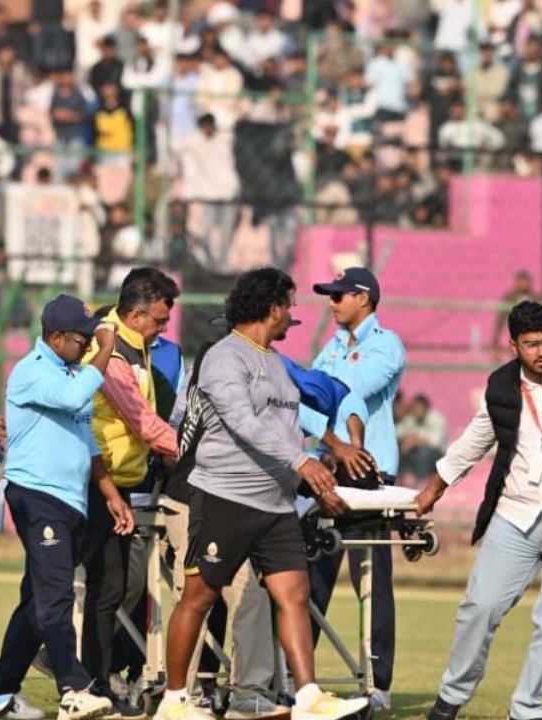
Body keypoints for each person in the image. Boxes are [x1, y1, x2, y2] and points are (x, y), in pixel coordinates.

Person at [153, 267, 370, 720]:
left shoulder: (274, 362)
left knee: (293, 594)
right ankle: (174, 700)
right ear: (272, 308)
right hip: (225, 498)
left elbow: (286, 431)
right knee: (199, 596)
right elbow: (242, 422)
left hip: (275, 505)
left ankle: (308, 696)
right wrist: (301, 462)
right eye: (289, 305)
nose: (293, 314)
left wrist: (310, 480)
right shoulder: (223, 357)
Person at [417, 301, 542, 720]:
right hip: (515, 517)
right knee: (480, 608)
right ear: (513, 345)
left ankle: (527, 709)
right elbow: (475, 440)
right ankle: (451, 697)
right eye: (531, 344)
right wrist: (435, 487)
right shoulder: (501, 386)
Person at [0, 294, 129, 720]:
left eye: (91, 340)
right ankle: (74, 689)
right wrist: (106, 349)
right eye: (82, 339)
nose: (88, 345)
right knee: (56, 595)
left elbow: (86, 439)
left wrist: (110, 493)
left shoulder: (71, 373)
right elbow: (73, 398)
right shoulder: (32, 371)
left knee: (36, 602)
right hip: (37, 494)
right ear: (57, 338)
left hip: (69, 500)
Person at [302, 266, 406, 711]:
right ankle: (298, 678)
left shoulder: (386, 344)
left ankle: (378, 684)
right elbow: (308, 399)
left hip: (369, 470)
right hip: (326, 467)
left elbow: (348, 390)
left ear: (363, 298)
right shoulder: (331, 347)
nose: (331, 302)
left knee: (372, 579)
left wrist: (317, 390)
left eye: (338, 295)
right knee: (312, 574)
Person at [83, 267, 181, 718]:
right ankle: (90, 682)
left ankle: (94, 681)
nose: (163, 329)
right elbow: (140, 419)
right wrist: (187, 453)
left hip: (119, 481)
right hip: (96, 481)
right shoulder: (111, 352)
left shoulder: (131, 344)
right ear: (136, 315)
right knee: (104, 589)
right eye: (159, 320)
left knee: (113, 588)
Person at [397, 394, 447, 481]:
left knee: (424, 451)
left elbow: (436, 441)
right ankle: (400, 478)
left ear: (426, 408)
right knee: (398, 447)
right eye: (415, 407)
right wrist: (406, 438)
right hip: (416, 455)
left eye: (419, 407)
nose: (417, 410)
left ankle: (421, 481)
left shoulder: (437, 418)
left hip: (437, 457)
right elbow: (398, 431)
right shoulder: (411, 418)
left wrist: (415, 440)